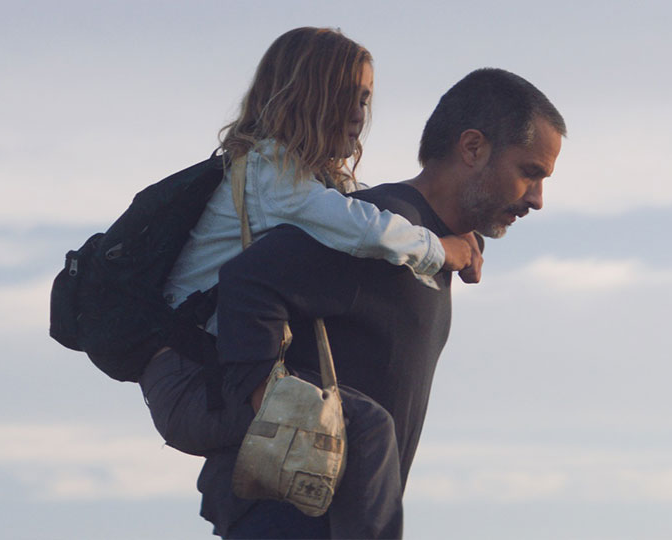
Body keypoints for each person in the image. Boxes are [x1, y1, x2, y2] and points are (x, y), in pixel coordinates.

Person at [137, 27, 481, 538]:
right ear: (308, 96)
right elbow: (362, 226)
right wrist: (439, 248)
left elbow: (357, 209)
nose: (361, 111)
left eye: (366, 97)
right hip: (191, 382)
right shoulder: (270, 171)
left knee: (350, 429)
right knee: (364, 427)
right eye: (347, 96)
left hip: (202, 377)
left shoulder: (298, 180)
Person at [203, 67, 566, 538]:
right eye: (529, 172)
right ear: (473, 148)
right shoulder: (381, 228)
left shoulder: (425, 242)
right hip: (292, 515)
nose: (537, 199)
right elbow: (248, 280)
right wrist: (264, 401)